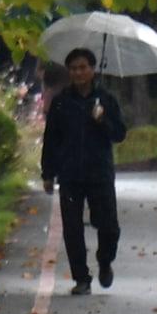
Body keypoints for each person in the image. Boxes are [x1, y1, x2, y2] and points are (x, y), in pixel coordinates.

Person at [41, 47, 127, 295]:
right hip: (70, 174)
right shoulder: (61, 103)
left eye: (83, 67)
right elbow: (51, 139)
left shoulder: (106, 100)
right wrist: (48, 173)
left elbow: (119, 134)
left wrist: (102, 120)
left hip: (99, 172)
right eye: (73, 68)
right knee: (72, 228)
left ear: (92, 70)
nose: (78, 72)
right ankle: (81, 278)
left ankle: (105, 260)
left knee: (108, 225)